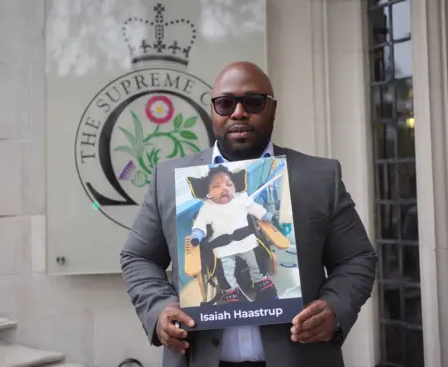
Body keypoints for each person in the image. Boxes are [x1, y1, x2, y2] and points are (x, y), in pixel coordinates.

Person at [120, 61, 378, 367]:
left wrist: (335, 307)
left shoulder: (320, 177)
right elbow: (138, 257)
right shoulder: (169, 180)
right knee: (228, 276)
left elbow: (357, 258)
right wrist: (159, 308)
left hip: (301, 357)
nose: (238, 112)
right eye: (226, 103)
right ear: (213, 111)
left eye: (253, 102)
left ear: (273, 109)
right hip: (199, 356)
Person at [188, 164, 279, 303]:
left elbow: (255, 209)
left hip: (246, 242)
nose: (224, 188)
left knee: (256, 261)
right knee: (225, 271)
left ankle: (260, 282)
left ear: (235, 187)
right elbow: (199, 225)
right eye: (216, 186)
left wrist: (267, 216)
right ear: (208, 193)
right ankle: (231, 291)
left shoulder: (241, 199)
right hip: (223, 248)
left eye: (229, 184)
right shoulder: (207, 207)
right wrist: (196, 236)